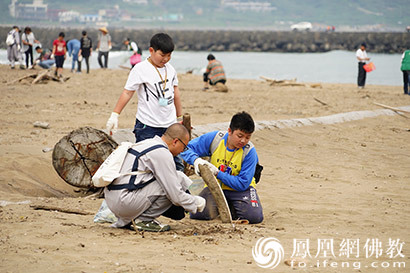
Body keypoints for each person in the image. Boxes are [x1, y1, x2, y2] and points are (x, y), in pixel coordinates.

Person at [104, 123, 206, 232]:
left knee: (171, 180)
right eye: (184, 147)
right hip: (124, 202)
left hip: (113, 200)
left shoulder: (148, 143)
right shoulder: (162, 153)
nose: (182, 151)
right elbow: (175, 194)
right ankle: (144, 220)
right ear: (175, 141)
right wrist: (194, 202)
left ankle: (133, 219)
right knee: (177, 179)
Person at [106, 33, 184, 170]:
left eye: (169, 55)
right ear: (151, 50)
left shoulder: (170, 69)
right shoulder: (140, 69)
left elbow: (175, 93)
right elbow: (127, 92)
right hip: (147, 126)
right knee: (146, 164)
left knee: (175, 165)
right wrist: (115, 114)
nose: (165, 59)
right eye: (162, 55)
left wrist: (179, 117)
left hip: (170, 125)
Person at [181, 111, 264, 224]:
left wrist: (217, 173)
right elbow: (184, 148)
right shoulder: (215, 139)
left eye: (247, 137)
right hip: (215, 187)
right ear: (229, 131)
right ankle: (226, 206)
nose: (243, 141)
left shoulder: (249, 151)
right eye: (240, 136)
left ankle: (231, 206)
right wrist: (196, 160)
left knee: (254, 217)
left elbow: (242, 183)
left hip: (240, 190)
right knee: (198, 214)